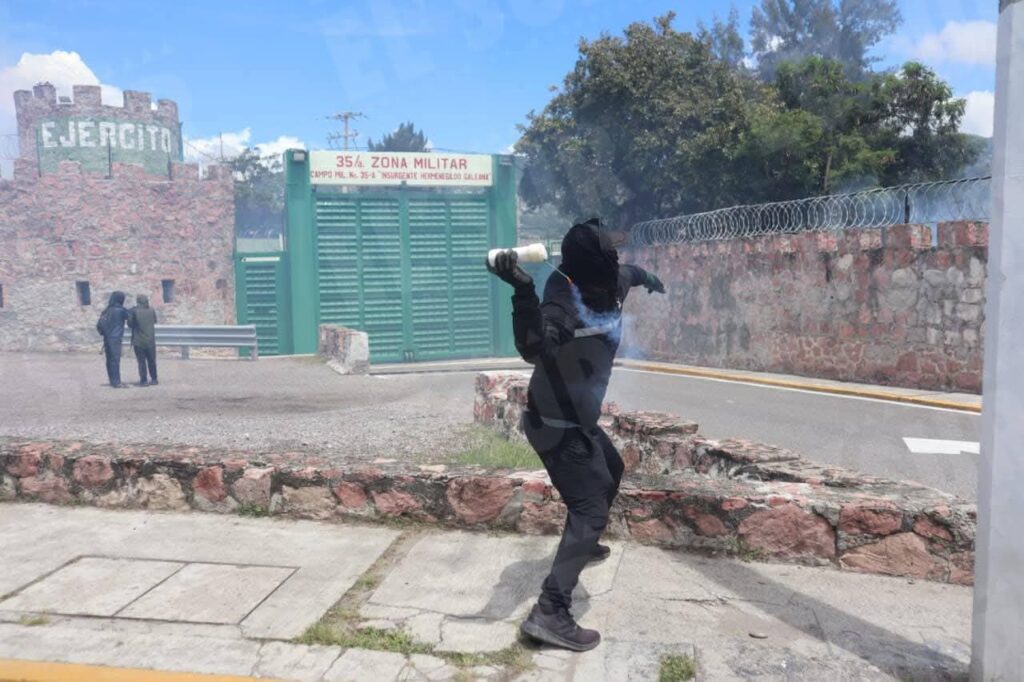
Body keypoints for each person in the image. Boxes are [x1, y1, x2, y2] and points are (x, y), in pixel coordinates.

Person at [487, 218, 666, 652]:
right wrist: (522, 291)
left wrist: (650, 279)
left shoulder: (614, 283)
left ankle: (582, 544)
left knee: (612, 469)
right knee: (590, 508)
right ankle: (550, 612)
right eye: (611, 254)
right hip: (555, 426)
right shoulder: (563, 297)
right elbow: (533, 347)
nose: (618, 261)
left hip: (578, 421)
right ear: (592, 265)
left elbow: (632, 273)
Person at [95, 291, 131, 388]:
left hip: (107, 338)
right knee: (115, 360)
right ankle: (117, 382)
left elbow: (99, 325)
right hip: (116, 338)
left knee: (109, 360)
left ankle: (112, 380)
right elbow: (130, 317)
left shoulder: (106, 310)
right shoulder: (121, 310)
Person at [129, 293, 158, 386]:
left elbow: (130, 324)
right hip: (150, 340)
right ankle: (154, 379)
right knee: (152, 361)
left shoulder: (134, 311)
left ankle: (144, 380)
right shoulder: (151, 310)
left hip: (138, 341)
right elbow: (155, 321)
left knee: (141, 362)